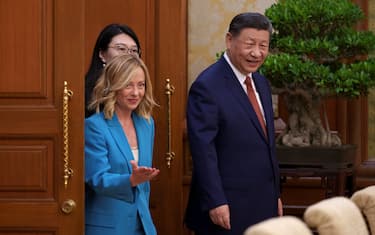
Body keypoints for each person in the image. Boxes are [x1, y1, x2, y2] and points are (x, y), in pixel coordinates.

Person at [184, 12, 283, 235]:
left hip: (263, 204)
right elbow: (203, 150)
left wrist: (275, 195)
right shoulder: (207, 86)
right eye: (250, 44)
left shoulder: (261, 82)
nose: (257, 53)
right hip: (226, 208)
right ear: (230, 40)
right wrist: (216, 201)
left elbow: (267, 147)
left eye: (263, 45)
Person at [85, 54, 159, 235]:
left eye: (141, 85)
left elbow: (144, 186)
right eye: (128, 85)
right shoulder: (95, 126)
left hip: (143, 225)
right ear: (113, 86)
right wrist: (130, 180)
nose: (136, 93)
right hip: (109, 228)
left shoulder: (147, 123)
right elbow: (97, 178)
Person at [85, 23, 142, 117]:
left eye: (134, 50)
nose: (128, 55)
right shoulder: (87, 93)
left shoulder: (139, 90)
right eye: (121, 48)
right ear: (102, 54)